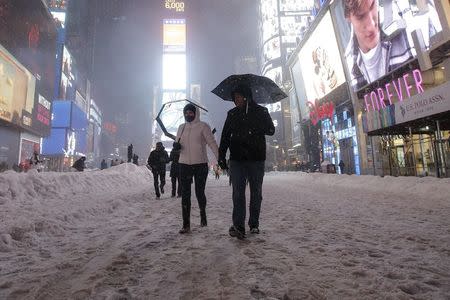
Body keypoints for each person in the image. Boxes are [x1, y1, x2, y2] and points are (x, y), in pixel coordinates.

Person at [218, 85, 275, 239]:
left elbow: (271, 130)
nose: (235, 100)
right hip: (237, 159)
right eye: (234, 98)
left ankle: (254, 224)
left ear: (247, 97)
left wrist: (255, 125)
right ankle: (239, 226)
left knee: (256, 193)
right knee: (238, 193)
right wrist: (221, 157)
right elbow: (224, 137)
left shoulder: (261, 111)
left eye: (238, 97)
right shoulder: (232, 114)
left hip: (256, 158)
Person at [344, 0, 413, 90]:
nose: (371, 25)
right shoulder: (349, 61)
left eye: (372, 6)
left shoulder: (405, 27)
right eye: (360, 16)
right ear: (348, 17)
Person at [176, 103, 219, 234]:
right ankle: (186, 224)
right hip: (183, 164)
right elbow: (178, 142)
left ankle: (203, 213)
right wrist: (176, 146)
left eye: (190, 112)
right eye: (186, 113)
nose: (188, 115)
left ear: (196, 113)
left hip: (200, 164)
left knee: (199, 192)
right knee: (185, 194)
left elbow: (212, 143)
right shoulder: (181, 127)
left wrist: (220, 159)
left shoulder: (203, 126)